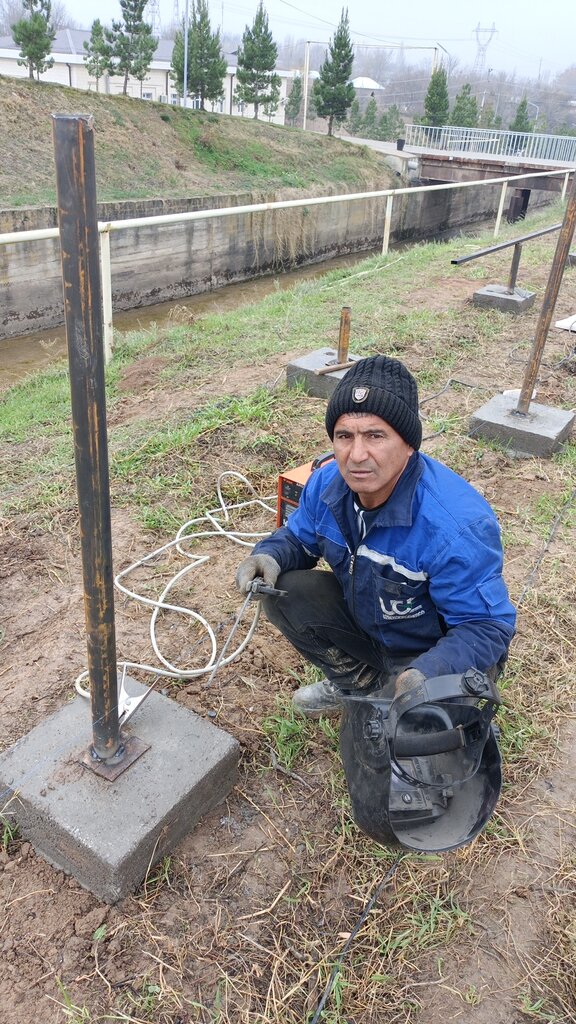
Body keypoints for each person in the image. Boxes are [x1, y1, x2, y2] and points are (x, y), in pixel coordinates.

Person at [236, 355, 516, 718]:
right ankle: (361, 685)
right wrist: (269, 555)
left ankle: (413, 694)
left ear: (409, 443)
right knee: (284, 592)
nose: (357, 455)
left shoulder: (456, 525)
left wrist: (426, 674)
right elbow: (299, 540)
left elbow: (485, 626)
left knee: (427, 747)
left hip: (434, 653)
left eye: (375, 436)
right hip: (369, 624)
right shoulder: (325, 485)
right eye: (344, 436)